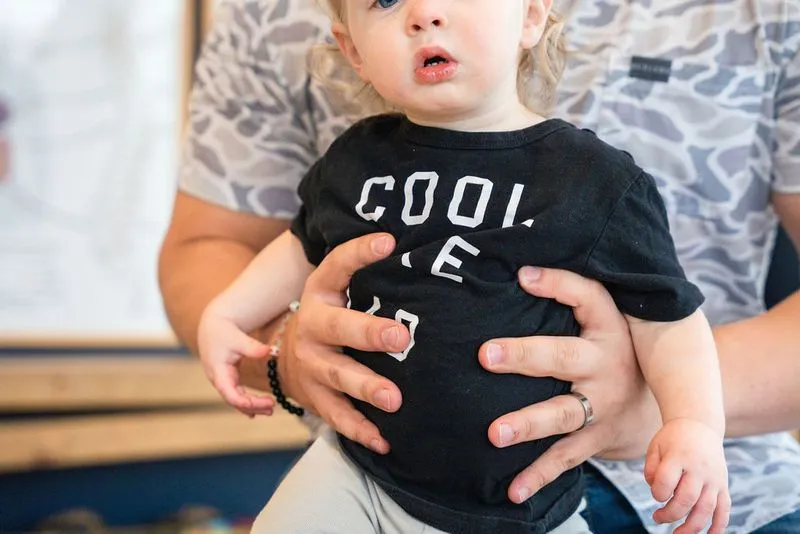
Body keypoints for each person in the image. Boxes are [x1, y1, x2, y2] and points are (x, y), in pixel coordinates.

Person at [158, 0, 800, 532]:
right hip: (363, 469)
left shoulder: (597, 180)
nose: (422, 14)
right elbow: (300, 247)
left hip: (532, 500)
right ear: (351, 49)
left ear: (531, 15)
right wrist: (238, 319)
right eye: (384, 0)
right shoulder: (354, 158)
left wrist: (689, 421)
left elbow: (668, 315)